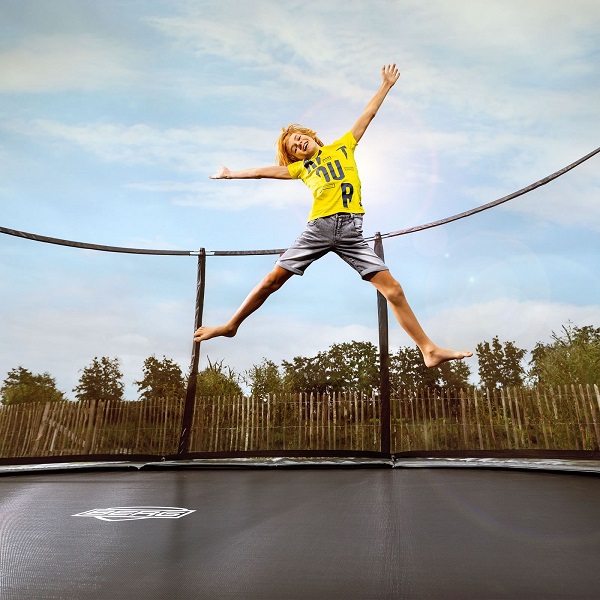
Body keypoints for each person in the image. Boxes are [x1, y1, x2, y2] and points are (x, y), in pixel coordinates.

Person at [194, 64, 472, 368]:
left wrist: (385, 85)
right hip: (320, 228)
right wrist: (231, 174)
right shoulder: (301, 169)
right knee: (273, 280)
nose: (298, 143)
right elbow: (262, 171)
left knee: (393, 289)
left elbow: (368, 115)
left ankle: (428, 350)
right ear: (295, 157)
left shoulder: (343, 146)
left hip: (352, 232)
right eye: (293, 147)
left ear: (310, 135)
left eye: (298, 138)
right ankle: (231, 325)